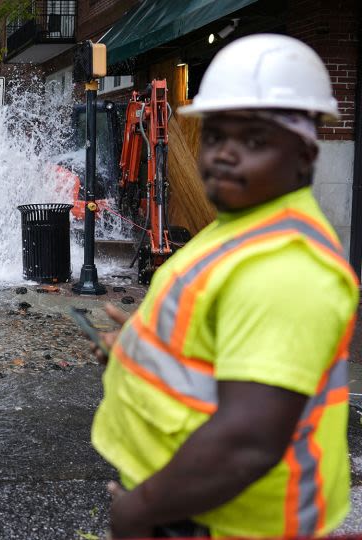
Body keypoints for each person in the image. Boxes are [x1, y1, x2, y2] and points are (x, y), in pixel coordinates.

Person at [90, 34, 358, 538]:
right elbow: (213, 340)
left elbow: (247, 442)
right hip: (194, 501)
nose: (225, 155)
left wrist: (141, 508)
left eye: (254, 140)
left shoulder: (289, 270)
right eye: (215, 137)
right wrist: (143, 349)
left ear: (304, 153)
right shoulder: (244, 223)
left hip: (233, 521)